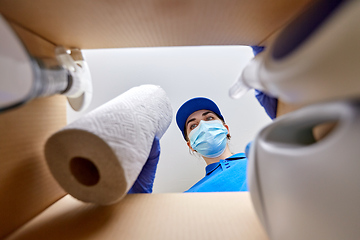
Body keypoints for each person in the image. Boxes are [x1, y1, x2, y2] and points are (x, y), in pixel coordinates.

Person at [175, 97, 248, 192]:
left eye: (209, 118)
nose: (203, 125)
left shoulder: (259, 160)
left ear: (226, 129)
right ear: (191, 145)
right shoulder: (192, 195)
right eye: (193, 125)